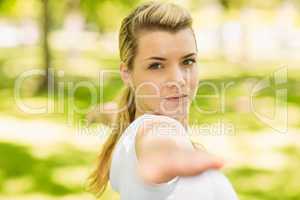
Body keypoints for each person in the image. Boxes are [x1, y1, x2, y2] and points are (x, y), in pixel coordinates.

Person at [88, 1, 239, 200]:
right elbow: (157, 140)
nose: (178, 79)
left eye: (188, 61)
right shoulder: (155, 132)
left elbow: (115, 114)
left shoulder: (127, 125)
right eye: (157, 65)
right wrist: (167, 158)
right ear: (127, 73)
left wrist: (98, 112)